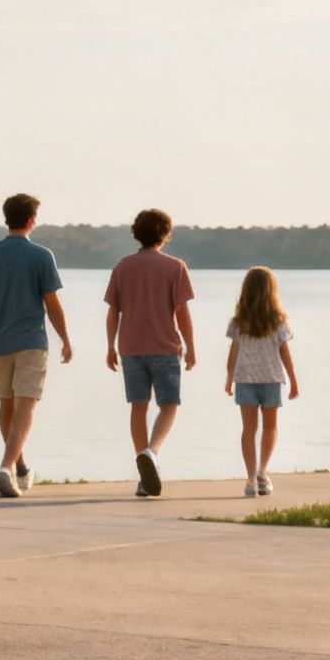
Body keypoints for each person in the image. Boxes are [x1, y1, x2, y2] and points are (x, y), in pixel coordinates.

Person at [0, 193, 74, 498]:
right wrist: (65, 338)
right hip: (31, 342)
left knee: (6, 404)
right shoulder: (41, 256)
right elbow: (52, 303)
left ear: (7, 218)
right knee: (26, 405)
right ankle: (5, 467)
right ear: (31, 220)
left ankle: (19, 467)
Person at [104, 208, 195, 497]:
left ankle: (144, 475)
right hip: (165, 347)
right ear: (165, 234)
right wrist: (191, 347)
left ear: (137, 234)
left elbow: (113, 312)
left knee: (138, 407)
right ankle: (152, 453)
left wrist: (110, 345)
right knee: (169, 404)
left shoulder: (122, 266)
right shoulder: (175, 267)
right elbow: (182, 313)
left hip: (130, 347)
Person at [226, 266, 299, 497]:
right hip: (271, 380)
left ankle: (251, 479)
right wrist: (293, 380)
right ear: (272, 292)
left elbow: (233, 353)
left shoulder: (238, 322)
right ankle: (261, 472)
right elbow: (285, 354)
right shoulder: (279, 321)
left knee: (249, 430)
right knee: (270, 428)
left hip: (245, 380)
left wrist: (229, 379)